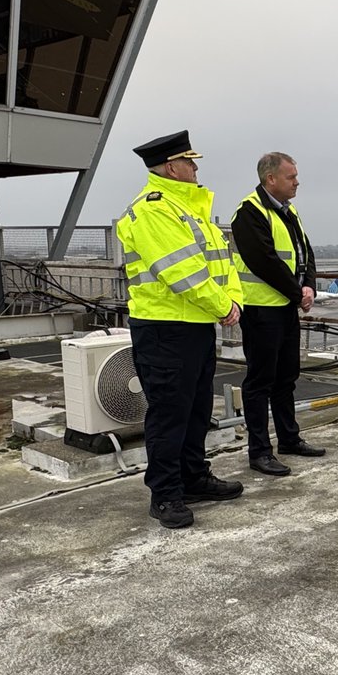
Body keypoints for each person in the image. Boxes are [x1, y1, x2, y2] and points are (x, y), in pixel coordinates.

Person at [116, 130, 245, 529]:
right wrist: (224, 306)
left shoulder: (188, 209)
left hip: (194, 326)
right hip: (164, 328)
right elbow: (181, 272)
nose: (195, 168)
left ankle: (192, 477)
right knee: (170, 413)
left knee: (195, 408)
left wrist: (233, 300)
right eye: (190, 162)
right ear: (172, 167)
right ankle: (166, 493)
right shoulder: (154, 210)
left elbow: (223, 263)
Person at [230, 152, 325, 476]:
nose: (297, 181)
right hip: (260, 311)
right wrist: (298, 293)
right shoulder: (249, 212)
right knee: (260, 381)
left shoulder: (290, 212)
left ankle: (289, 438)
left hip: (285, 309)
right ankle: (259, 451)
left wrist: (309, 285)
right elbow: (263, 260)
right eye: (291, 176)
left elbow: (305, 253)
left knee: (286, 377)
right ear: (271, 179)